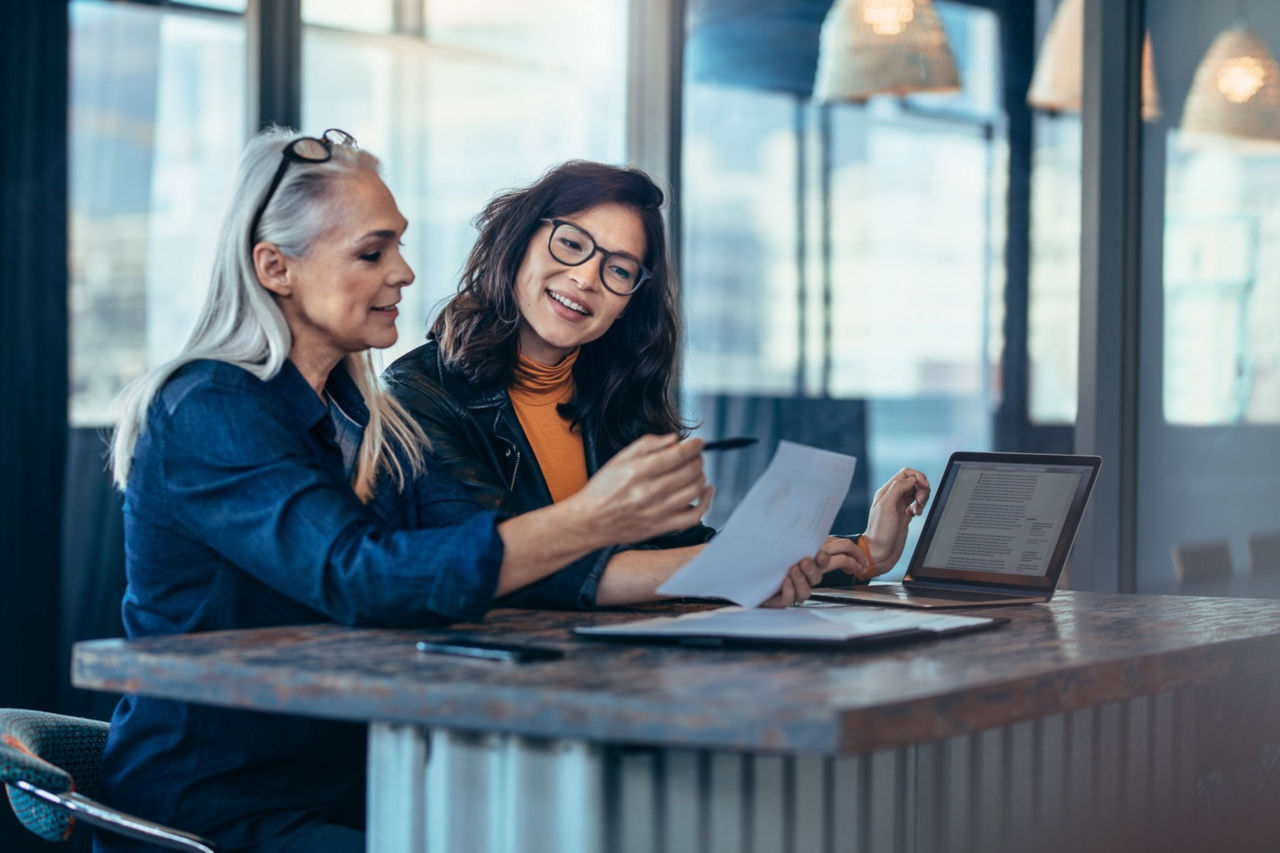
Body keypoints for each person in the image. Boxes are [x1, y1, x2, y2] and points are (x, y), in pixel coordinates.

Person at [98, 129, 821, 853]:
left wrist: (746, 569)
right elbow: (362, 576)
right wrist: (594, 515)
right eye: (372, 252)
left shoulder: (362, 416)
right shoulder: (209, 408)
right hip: (221, 810)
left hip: (357, 784)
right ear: (275, 267)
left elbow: (493, 553)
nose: (405, 273)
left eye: (400, 247)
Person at [383, 161, 932, 606]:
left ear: (628, 304)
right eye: (571, 244)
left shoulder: (612, 396)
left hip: (613, 674)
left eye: (619, 270)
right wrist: (743, 567)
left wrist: (865, 552)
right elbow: (508, 565)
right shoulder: (417, 394)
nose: (586, 278)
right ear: (519, 241)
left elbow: (675, 550)